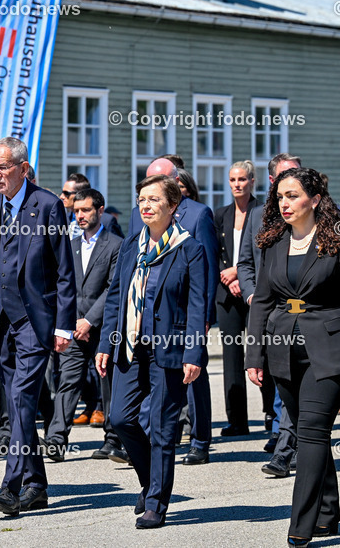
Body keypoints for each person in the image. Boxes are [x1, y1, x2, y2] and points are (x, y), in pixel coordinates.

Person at [246, 167, 340, 546]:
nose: (285, 203)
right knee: (307, 434)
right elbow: (263, 301)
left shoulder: (339, 239)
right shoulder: (272, 240)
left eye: (293, 196)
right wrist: (254, 355)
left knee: (314, 434)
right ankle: (327, 513)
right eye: (280, 196)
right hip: (283, 350)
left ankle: (300, 526)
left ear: (314, 200)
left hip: (329, 350)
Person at [0, 136, 75, 516]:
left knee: (22, 399)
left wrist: (64, 326)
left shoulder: (46, 205)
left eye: (2, 167)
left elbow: (65, 271)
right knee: (15, 406)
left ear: (23, 168)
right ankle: (37, 484)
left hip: (34, 319)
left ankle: (11, 486)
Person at [96, 174, 208, 529]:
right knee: (120, 418)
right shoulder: (132, 246)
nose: (145, 205)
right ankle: (151, 482)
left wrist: (194, 352)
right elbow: (115, 297)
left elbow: (196, 306)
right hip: (129, 346)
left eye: (154, 200)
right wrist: (104, 343)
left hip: (169, 350)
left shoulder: (190, 249)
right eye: (141, 199)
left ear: (173, 206)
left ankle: (157, 502)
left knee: (162, 428)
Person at [128, 158, 217, 466]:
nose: (150, 195)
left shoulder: (198, 213)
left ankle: (200, 438)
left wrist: (203, 316)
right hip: (147, 320)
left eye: (160, 182)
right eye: (147, 184)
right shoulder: (138, 214)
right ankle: (163, 437)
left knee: (194, 376)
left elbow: (206, 270)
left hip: (184, 313)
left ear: (175, 182)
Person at [43, 188, 123, 461]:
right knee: (68, 381)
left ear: (100, 211)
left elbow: (114, 288)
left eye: (86, 210)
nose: (80, 216)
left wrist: (89, 321)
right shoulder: (70, 244)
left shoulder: (115, 245)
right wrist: (71, 322)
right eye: (76, 211)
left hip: (103, 328)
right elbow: (63, 286)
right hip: (74, 327)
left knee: (109, 383)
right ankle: (55, 439)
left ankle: (113, 440)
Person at [237, 152, 303, 474]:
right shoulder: (257, 216)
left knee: (294, 378)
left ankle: (285, 448)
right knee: (278, 379)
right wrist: (252, 295)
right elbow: (246, 264)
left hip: (301, 313)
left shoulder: (316, 215)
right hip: (267, 310)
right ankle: (288, 438)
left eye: (297, 173)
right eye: (285, 176)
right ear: (272, 180)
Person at [214, 160, 262, 436]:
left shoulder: (262, 211)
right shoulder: (221, 214)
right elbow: (215, 250)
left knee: (262, 351)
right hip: (227, 293)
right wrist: (227, 274)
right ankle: (237, 420)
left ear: (252, 181)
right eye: (232, 180)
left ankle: (271, 415)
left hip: (254, 290)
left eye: (242, 179)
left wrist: (240, 275)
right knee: (231, 357)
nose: (237, 184)